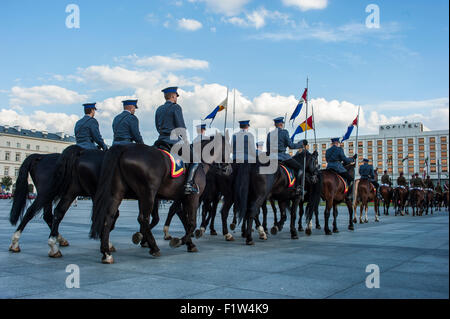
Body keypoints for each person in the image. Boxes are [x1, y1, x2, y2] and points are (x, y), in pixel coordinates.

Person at [154, 87, 199, 194]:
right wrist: (186, 140)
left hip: (160, 140)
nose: (176, 98)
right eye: (176, 96)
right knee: (195, 160)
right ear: (173, 96)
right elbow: (181, 126)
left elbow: (157, 126)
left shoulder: (159, 109)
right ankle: (188, 185)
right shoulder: (176, 107)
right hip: (173, 142)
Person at [266, 117, 306, 195]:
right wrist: (301, 145)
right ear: (281, 124)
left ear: (275, 124)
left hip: (271, 157)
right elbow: (291, 146)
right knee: (300, 168)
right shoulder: (284, 132)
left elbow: (268, 149)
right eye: (283, 124)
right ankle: (298, 187)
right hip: (282, 156)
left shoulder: (269, 134)